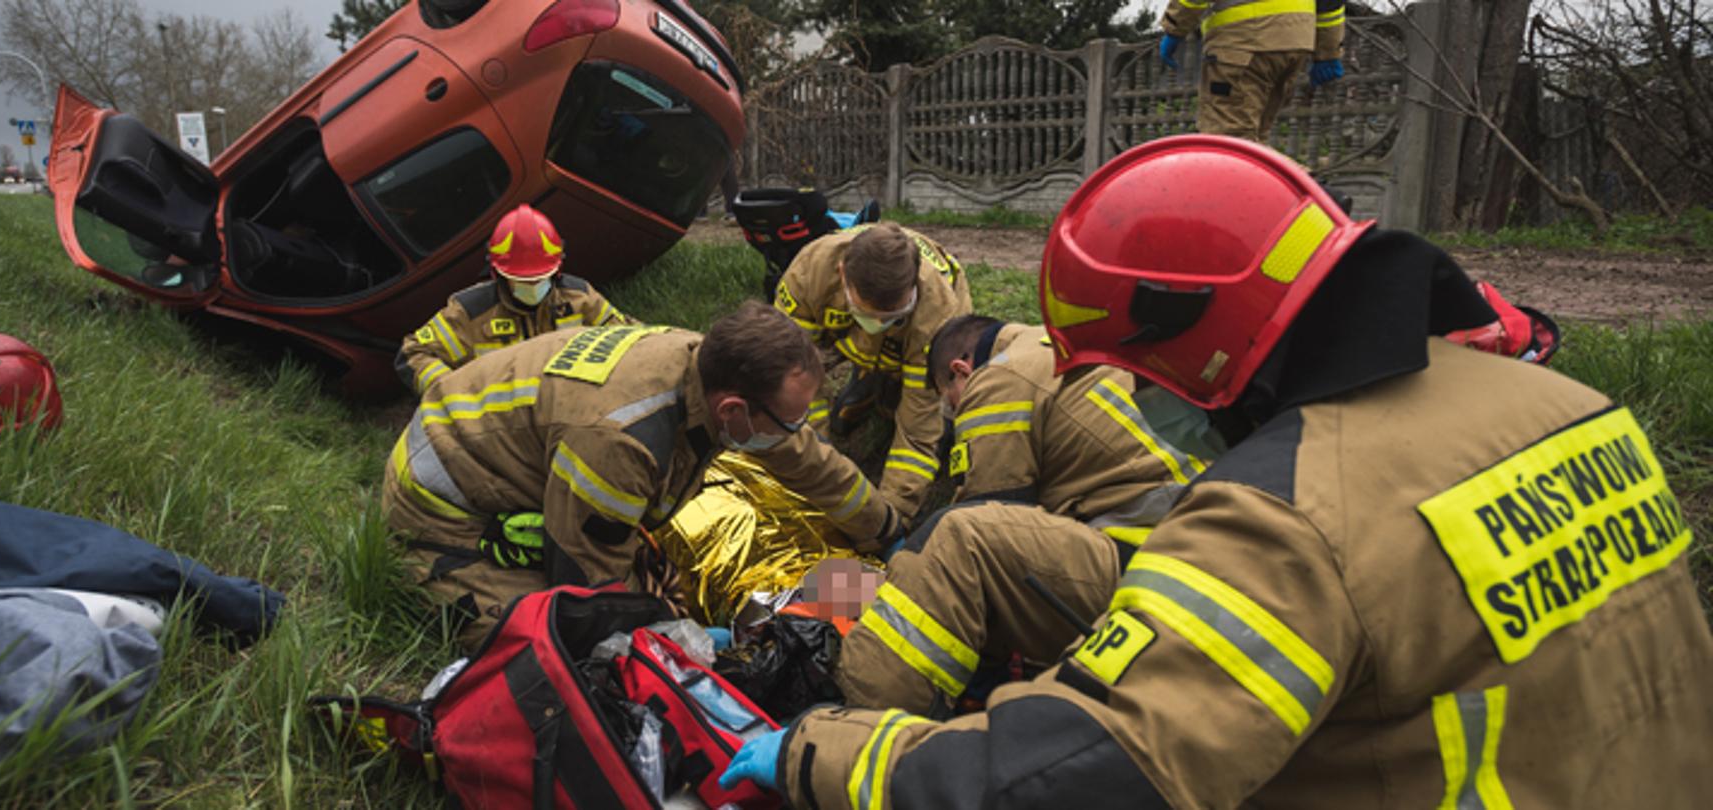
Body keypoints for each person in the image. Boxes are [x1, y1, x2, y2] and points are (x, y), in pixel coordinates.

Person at [724, 135, 1713, 807]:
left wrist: (826, 753)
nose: (1123, 398)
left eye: (1121, 374)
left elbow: (1086, 773)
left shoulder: (1287, 515)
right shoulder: (1570, 407)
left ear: (1195, 345)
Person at [384, 302, 902, 650]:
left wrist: (885, 530)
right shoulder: (621, 443)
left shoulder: (709, 363)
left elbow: (809, 460)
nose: (795, 430)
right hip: (442, 505)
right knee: (560, 640)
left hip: (511, 450)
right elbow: (589, 577)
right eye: (788, 420)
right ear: (733, 411)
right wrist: (681, 635)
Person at [829, 315, 1211, 714]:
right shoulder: (1051, 343)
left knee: (954, 538)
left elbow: (991, 511)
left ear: (961, 371)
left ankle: (872, 716)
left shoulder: (998, 378)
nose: (956, 416)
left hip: (1144, 564)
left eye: (951, 402)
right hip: (1187, 547)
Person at [773, 223, 973, 521]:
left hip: (914, 346)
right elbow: (789, 376)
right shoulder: (809, 275)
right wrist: (817, 459)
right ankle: (870, 378)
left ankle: (886, 383)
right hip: (847, 343)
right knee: (797, 377)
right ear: (842, 274)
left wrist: (890, 517)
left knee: (932, 426)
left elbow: (916, 433)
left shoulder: (938, 315)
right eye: (866, 313)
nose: (878, 323)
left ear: (913, 289)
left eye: (891, 317)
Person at [396, 204, 630, 394]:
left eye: (541, 278)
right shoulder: (470, 313)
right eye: (521, 280)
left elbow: (628, 337)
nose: (533, 286)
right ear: (497, 274)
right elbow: (413, 355)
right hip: (499, 422)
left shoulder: (580, 298)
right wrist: (452, 392)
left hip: (569, 408)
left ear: (557, 271)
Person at [1159, 0, 1347, 144]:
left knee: (1229, 141)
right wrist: (1328, 51)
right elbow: (1330, 3)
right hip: (1295, 45)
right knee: (1255, 140)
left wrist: (1175, 28)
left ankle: (1313, 191)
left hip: (1242, 44)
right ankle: (1287, 191)